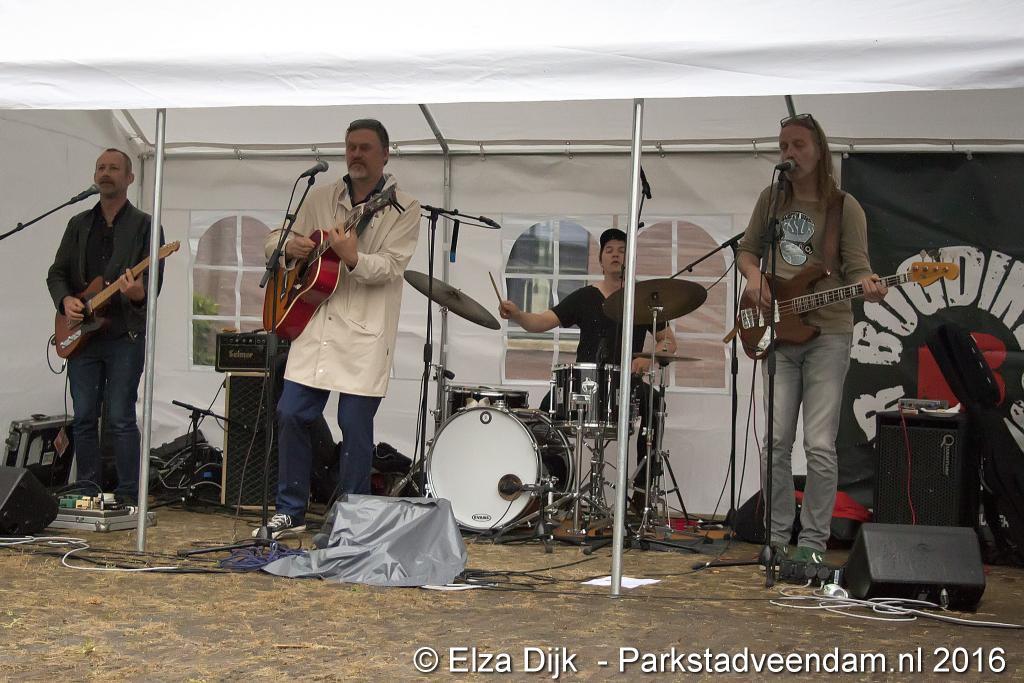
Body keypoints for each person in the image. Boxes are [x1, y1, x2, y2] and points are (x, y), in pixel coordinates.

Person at [257, 119, 420, 538]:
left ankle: (353, 516)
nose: (356, 154)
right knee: (291, 412)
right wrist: (288, 245)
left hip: (365, 333)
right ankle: (290, 510)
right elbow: (275, 238)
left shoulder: (404, 207)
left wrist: (353, 257)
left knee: (354, 424)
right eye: (351, 147)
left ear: (385, 154)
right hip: (316, 324)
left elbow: (391, 267)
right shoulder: (321, 196)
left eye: (365, 147)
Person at [736, 113, 887, 564]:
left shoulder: (844, 206)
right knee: (775, 443)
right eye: (783, 145)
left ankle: (813, 545)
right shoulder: (771, 198)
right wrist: (753, 279)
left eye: (798, 145)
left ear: (819, 149)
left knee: (819, 444)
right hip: (778, 333)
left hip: (828, 334)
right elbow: (747, 251)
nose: (789, 153)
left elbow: (857, 267)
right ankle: (777, 538)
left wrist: (869, 286)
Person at [498, 228, 677, 506]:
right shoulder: (585, 297)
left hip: (626, 383)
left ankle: (642, 496)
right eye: (610, 250)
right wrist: (518, 314)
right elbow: (540, 322)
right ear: (601, 260)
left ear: (630, 258)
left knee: (656, 404)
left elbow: (669, 342)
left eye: (622, 250)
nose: (616, 255)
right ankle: (551, 489)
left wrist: (648, 358)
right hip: (586, 382)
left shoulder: (642, 299)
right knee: (545, 411)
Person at [46, 148, 164, 506]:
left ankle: (128, 493)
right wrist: (65, 301)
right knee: (83, 417)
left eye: (114, 168)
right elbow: (57, 273)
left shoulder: (146, 226)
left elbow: (152, 286)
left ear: (130, 178)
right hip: (82, 336)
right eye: (101, 168)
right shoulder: (78, 223)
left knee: (119, 416)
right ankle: (87, 489)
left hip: (124, 336)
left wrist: (137, 292)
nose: (105, 173)